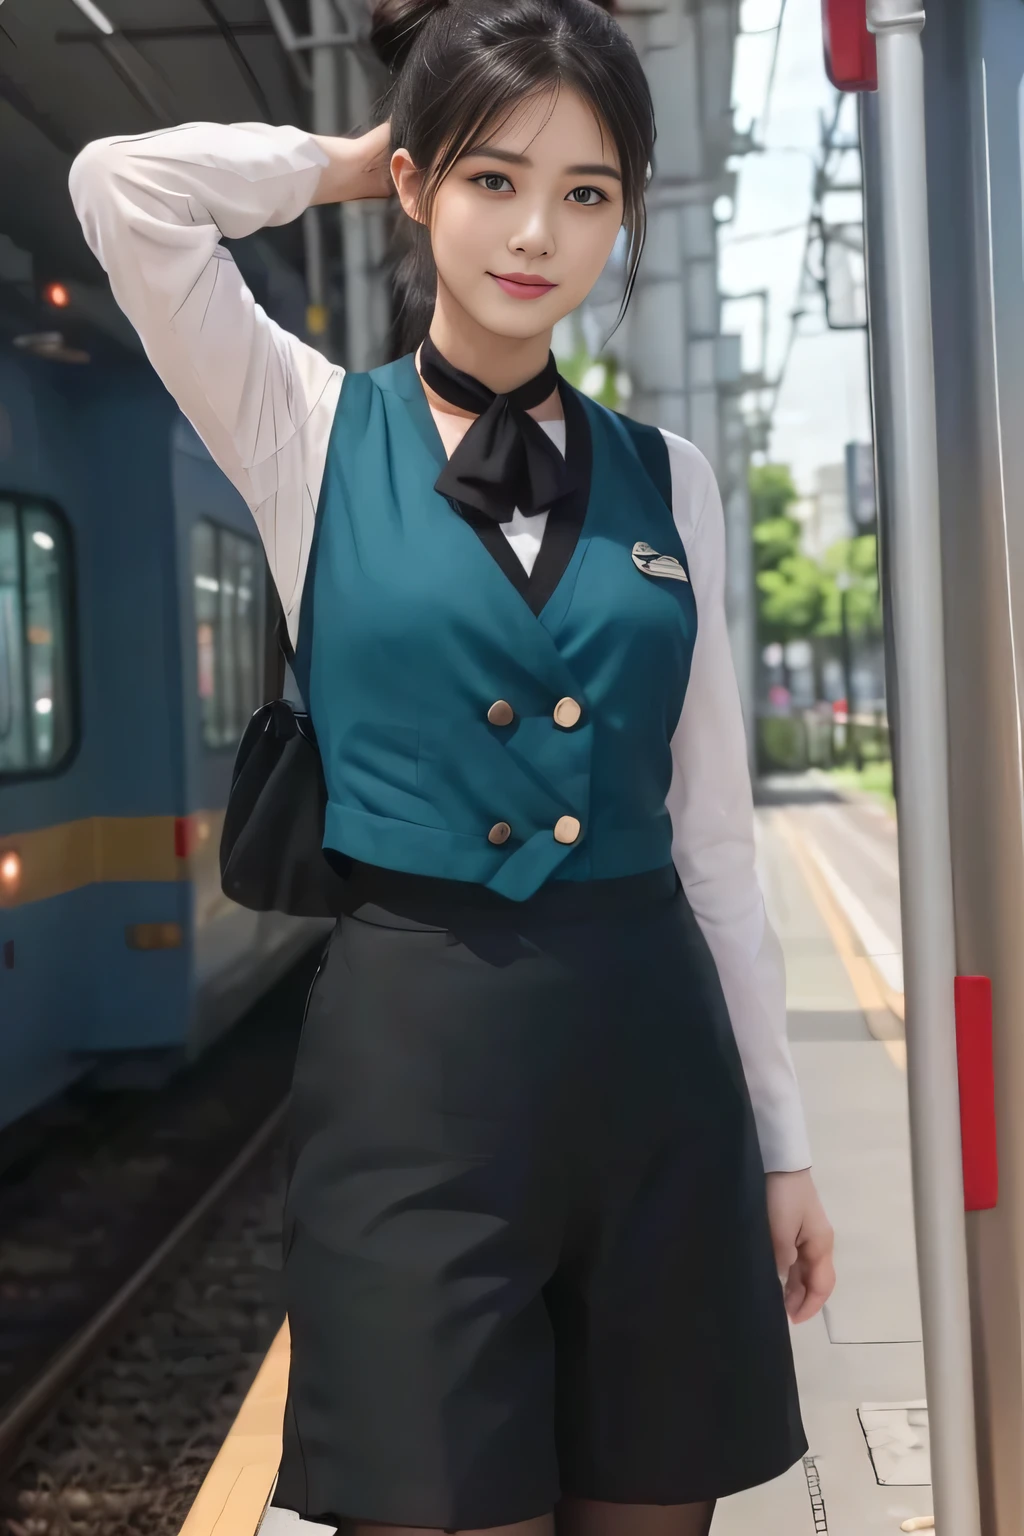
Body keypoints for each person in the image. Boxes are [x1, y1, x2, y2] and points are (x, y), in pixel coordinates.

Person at [70, 2, 835, 1532]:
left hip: (654, 1074)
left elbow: (713, 844)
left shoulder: (668, 475)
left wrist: (785, 1147)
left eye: (589, 190)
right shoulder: (301, 426)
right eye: (494, 178)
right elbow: (121, 185)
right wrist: (361, 158)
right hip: (417, 1079)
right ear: (422, 187)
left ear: (628, 212)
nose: (540, 230)